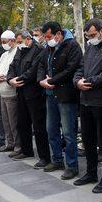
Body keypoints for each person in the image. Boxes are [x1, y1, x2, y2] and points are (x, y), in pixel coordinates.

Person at [72, 18, 102, 193]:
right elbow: (81, 67)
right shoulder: (91, 47)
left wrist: (88, 82)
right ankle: (91, 173)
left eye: (93, 35)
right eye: (88, 35)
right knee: (87, 139)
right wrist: (77, 81)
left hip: (101, 103)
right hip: (85, 100)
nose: (90, 38)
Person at [37, 21, 82, 180]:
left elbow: (71, 69)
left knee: (69, 133)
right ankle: (57, 159)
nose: (46, 39)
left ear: (58, 34)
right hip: (50, 94)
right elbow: (41, 65)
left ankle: (72, 165)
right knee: (51, 129)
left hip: (65, 94)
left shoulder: (72, 46)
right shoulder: (48, 47)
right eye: (44, 37)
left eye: (48, 36)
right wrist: (41, 80)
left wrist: (52, 81)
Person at [8, 30, 51, 166]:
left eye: (20, 41)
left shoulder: (38, 50)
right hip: (20, 91)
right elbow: (12, 66)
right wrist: (10, 80)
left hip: (34, 93)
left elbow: (33, 71)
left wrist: (18, 79)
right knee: (22, 123)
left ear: (28, 39)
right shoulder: (20, 50)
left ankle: (44, 156)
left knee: (38, 126)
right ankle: (26, 151)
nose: (18, 44)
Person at [0, 30, 21, 155]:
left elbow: (11, 73)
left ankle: (18, 146)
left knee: (13, 121)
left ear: (12, 41)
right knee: (6, 121)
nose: (3, 44)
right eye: (2, 42)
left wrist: (1, 77)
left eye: (4, 42)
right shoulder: (4, 55)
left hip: (11, 92)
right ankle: (9, 143)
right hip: (1, 91)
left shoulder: (17, 53)